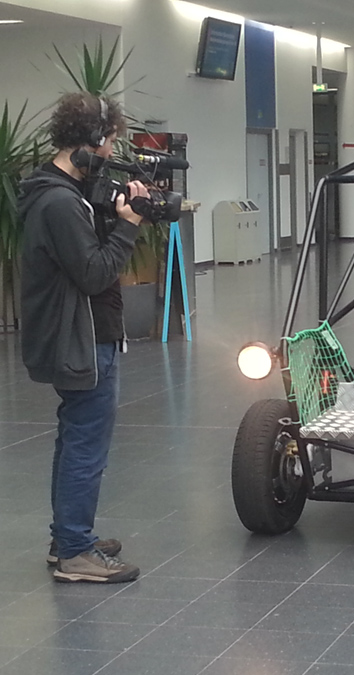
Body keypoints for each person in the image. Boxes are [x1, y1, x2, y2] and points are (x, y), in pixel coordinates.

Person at [18, 92, 152, 583]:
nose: (110, 154)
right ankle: (75, 552)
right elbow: (95, 272)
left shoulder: (59, 194)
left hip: (79, 334)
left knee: (75, 437)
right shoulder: (58, 201)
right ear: (92, 141)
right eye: (110, 142)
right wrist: (128, 225)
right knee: (85, 445)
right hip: (81, 339)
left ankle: (67, 538)